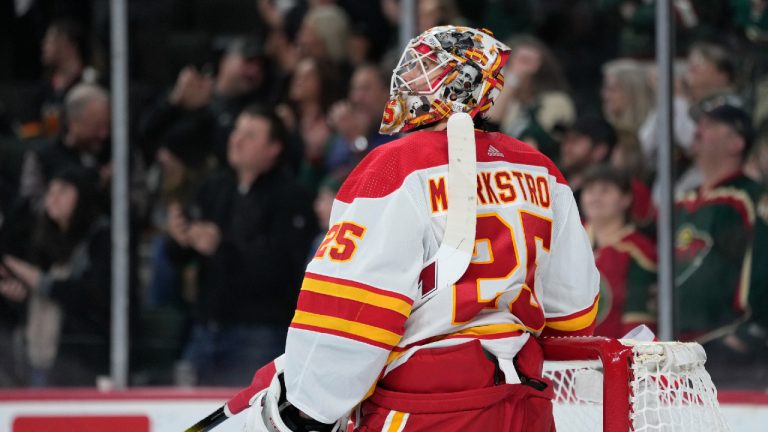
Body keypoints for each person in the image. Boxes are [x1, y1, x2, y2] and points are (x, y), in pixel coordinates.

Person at [246, 25, 599, 432]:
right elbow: (574, 316)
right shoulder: (540, 170)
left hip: (428, 407)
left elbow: (355, 307)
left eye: (425, 68)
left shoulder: (394, 167)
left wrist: (308, 403)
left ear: (460, 84)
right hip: (524, 406)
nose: (408, 79)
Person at [166, 106, 316, 386]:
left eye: (250, 135)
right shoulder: (214, 187)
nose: (236, 140)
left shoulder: (291, 197)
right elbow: (178, 258)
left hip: (258, 332)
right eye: (236, 131)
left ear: (273, 148)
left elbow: (283, 270)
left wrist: (220, 248)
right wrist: (180, 237)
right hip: (206, 327)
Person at [674, 94, 768, 368]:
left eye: (712, 125)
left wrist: (748, 333)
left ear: (736, 143)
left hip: (727, 348)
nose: (698, 129)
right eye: (699, 123)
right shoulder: (683, 200)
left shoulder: (752, 199)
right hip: (676, 347)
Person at [1, 167, 112, 386]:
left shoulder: (101, 239)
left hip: (83, 360)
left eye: (62, 191)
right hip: (39, 356)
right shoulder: (43, 242)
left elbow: (95, 296)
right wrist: (18, 295)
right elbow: (34, 306)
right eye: (50, 191)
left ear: (82, 195)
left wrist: (38, 281)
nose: (53, 198)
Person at [581, 165, 657, 338]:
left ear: (625, 199)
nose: (595, 197)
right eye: (590, 190)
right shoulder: (565, 240)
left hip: (612, 357)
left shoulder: (639, 251)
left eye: (605, 191)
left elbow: (638, 326)